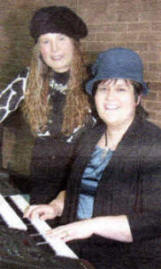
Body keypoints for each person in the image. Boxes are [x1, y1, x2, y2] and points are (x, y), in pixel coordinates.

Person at [25, 47, 161, 269]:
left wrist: (91, 225)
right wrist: (57, 206)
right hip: (78, 251)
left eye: (121, 89)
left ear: (137, 98)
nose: (110, 98)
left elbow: (155, 220)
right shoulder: (90, 136)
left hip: (127, 260)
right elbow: (77, 187)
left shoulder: (153, 144)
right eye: (103, 88)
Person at [0, 6, 94, 204]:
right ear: (38, 48)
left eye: (61, 38)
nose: (55, 49)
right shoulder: (27, 79)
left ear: (74, 43)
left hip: (83, 181)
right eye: (46, 41)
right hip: (42, 180)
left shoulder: (95, 81)